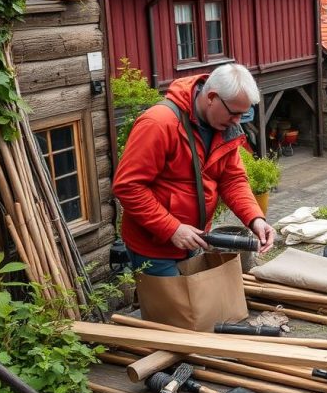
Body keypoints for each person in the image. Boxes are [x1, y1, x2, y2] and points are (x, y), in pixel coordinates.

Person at [113, 64, 276, 276]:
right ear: (211, 97)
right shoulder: (159, 123)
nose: (237, 121)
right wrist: (171, 228)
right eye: (234, 113)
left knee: (191, 305)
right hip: (154, 248)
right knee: (171, 309)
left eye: (243, 114)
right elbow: (128, 186)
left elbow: (232, 180)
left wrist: (255, 219)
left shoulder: (224, 128)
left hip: (193, 240)